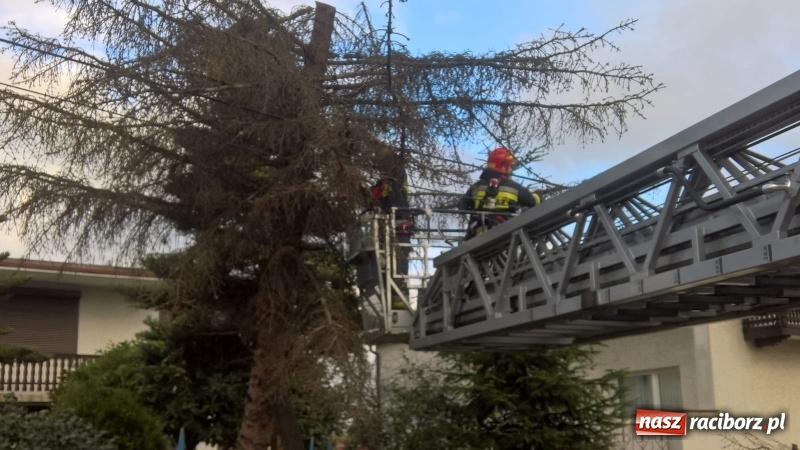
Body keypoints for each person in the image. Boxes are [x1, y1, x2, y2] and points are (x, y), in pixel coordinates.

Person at [461, 146, 542, 240]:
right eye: (511, 165)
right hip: (506, 234)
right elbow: (532, 201)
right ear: (504, 165)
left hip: (478, 235)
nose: (511, 169)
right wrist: (539, 196)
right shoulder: (514, 187)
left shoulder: (476, 187)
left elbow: (463, 205)